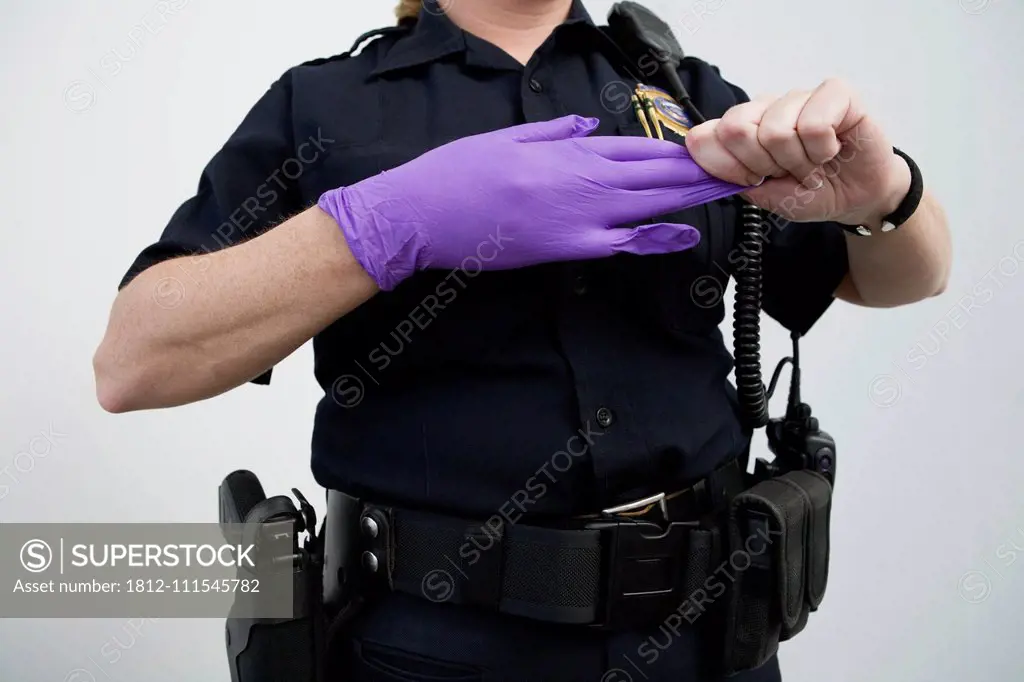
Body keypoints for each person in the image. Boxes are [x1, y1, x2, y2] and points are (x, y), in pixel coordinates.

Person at [93, 0, 951, 679]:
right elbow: (134, 361)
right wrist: (385, 224)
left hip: (709, 633)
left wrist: (887, 195)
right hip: (431, 648)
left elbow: (901, 276)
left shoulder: (689, 93)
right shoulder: (322, 105)